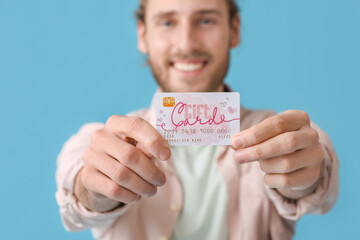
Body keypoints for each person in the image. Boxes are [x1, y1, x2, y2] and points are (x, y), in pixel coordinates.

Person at [55, 0, 339, 239]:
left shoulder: (278, 134)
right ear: (143, 35)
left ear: (235, 29)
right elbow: (77, 183)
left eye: (205, 21)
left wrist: (307, 172)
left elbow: (320, 164)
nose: (187, 43)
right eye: (167, 22)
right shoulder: (101, 140)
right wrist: (95, 189)